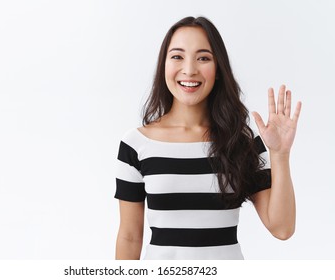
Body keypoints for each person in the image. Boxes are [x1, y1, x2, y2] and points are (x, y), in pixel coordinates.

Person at [114, 16, 302, 260]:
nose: (190, 69)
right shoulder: (136, 145)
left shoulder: (241, 142)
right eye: (177, 56)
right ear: (164, 65)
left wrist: (280, 155)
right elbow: (129, 236)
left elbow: (282, 228)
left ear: (218, 70)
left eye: (203, 58)